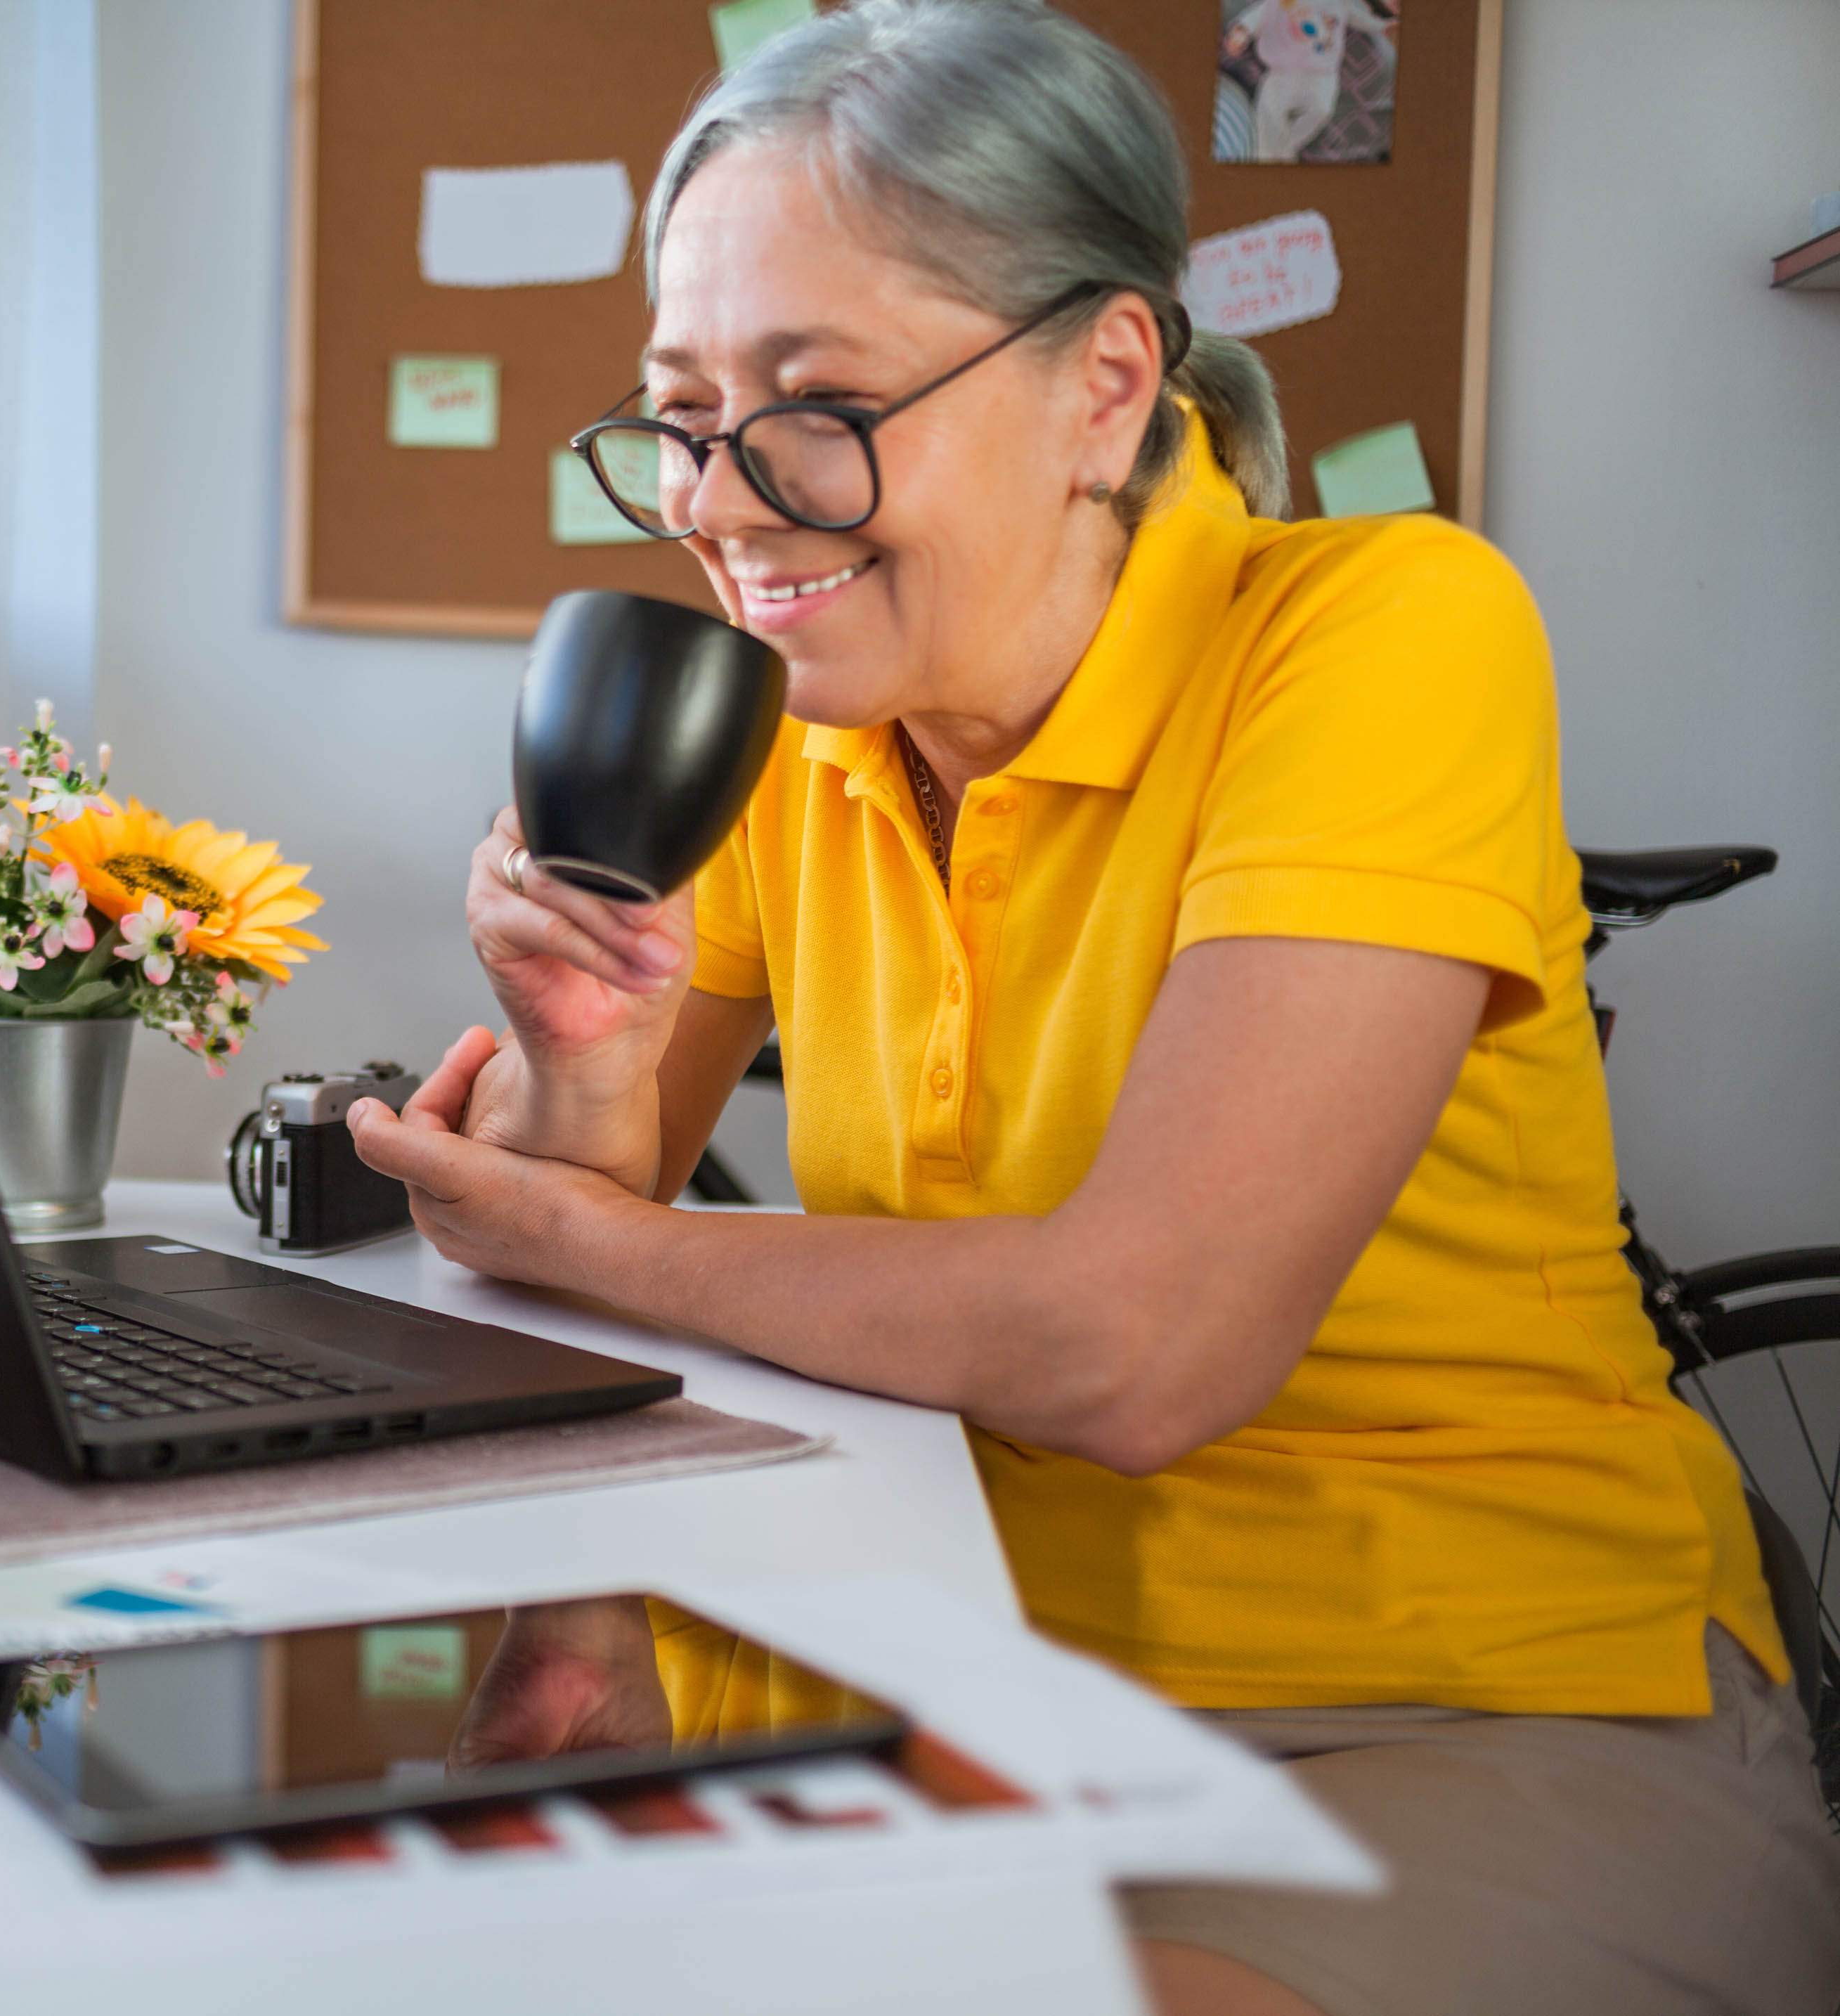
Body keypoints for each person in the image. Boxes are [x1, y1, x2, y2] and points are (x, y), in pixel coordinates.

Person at [344, 6, 1840, 2013]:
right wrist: (585, 1070)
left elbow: (1142, 1345)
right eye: (681, 417)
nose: (718, 500)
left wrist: (608, 1228)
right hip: (937, 1656)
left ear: (1103, 383)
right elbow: (569, 1239)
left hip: (1450, 1702)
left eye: (812, 403)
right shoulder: (796, 738)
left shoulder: (1387, 629)